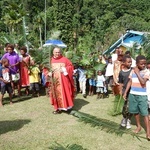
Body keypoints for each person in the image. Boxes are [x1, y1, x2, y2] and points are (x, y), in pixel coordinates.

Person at [123, 55, 150, 140]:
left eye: (144, 64)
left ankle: (148, 132)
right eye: (141, 64)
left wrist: (137, 72)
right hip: (132, 94)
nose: (143, 65)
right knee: (135, 112)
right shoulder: (132, 71)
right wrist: (125, 92)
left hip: (142, 96)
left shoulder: (147, 72)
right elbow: (130, 82)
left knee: (145, 113)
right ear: (137, 63)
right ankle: (138, 126)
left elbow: (143, 82)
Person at [49, 47, 74, 114]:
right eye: (56, 52)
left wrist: (64, 69)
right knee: (56, 94)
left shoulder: (65, 59)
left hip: (64, 81)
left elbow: (71, 67)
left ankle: (67, 107)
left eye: (58, 52)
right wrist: (48, 73)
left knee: (65, 92)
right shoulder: (50, 60)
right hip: (55, 81)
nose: (57, 54)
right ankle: (57, 108)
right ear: (53, 52)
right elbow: (45, 69)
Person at [118, 55, 132, 129]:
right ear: (123, 62)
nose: (130, 63)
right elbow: (120, 82)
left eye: (131, 62)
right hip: (124, 91)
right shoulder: (121, 72)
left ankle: (129, 120)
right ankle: (124, 118)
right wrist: (120, 90)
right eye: (129, 62)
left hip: (131, 92)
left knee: (130, 107)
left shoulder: (132, 70)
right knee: (124, 106)